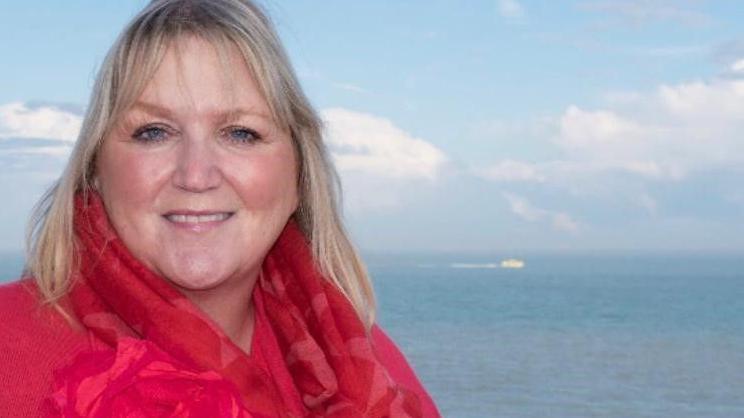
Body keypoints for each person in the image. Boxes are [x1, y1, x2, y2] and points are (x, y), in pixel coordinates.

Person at [0, 1, 440, 416]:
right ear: (96, 168)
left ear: (299, 177)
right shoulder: (11, 352)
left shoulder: (368, 363)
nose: (196, 174)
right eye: (154, 132)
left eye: (241, 133)